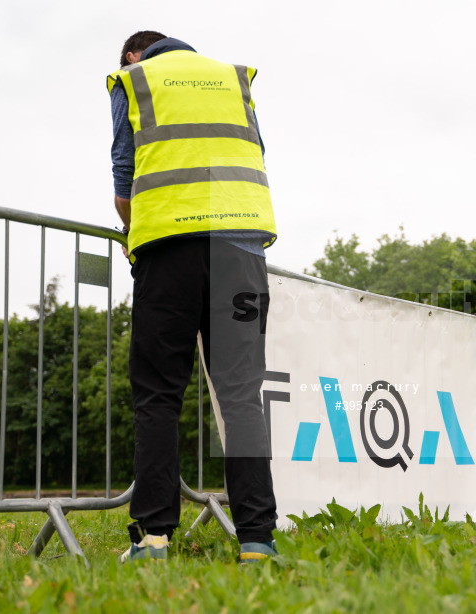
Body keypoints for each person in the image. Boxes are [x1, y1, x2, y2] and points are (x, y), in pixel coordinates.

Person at [108, 31, 278, 562]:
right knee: (243, 398)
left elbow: (123, 169)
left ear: (134, 55)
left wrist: (133, 232)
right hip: (242, 252)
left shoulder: (133, 81)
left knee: (159, 394)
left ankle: (154, 537)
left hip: (169, 252)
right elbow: (255, 153)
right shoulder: (233, 79)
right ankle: (256, 540)